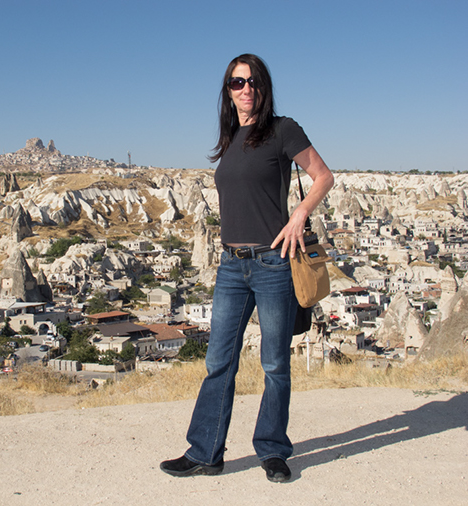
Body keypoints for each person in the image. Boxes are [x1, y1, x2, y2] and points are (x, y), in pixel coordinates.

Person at [160, 54, 334, 482]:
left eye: (253, 81)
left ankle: (273, 451)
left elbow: (324, 176)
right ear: (228, 90)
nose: (246, 89)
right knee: (219, 360)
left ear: (263, 86)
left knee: (275, 362)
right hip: (231, 267)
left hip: (274, 262)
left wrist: (299, 215)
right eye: (237, 82)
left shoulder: (282, 129)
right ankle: (205, 451)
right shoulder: (230, 137)